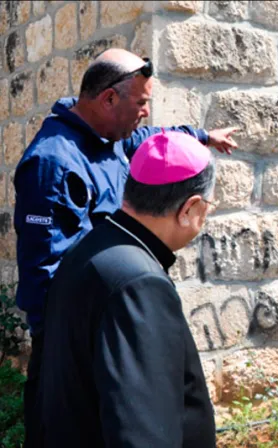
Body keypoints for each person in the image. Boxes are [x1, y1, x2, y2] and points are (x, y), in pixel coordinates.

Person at [13, 48, 237, 446]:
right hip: (74, 333)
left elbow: (151, 140)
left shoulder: (111, 134)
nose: (146, 113)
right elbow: (47, 271)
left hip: (111, 316)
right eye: (142, 102)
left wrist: (202, 137)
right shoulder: (52, 164)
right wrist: (69, 354)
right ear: (109, 99)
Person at [38, 131, 217, 447]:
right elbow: (143, 432)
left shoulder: (93, 248)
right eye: (208, 206)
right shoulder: (138, 284)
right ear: (190, 207)